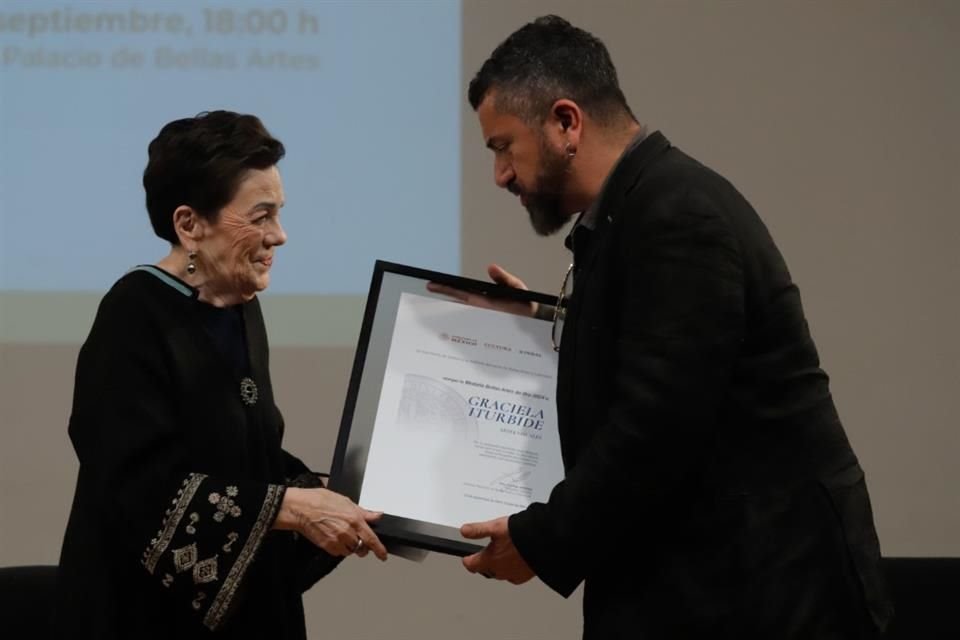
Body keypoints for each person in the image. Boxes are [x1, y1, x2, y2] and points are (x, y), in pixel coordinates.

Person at [448, 15, 893, 639]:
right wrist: (543, 335)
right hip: (716, 584)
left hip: (764, 596)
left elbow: (656, 427)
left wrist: (539, 540)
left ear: (566, 123)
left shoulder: (677, 216)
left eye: (502, 146)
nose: (500, 175)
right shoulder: (638, 208)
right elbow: (658, 364)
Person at [53, 110, 387, 639]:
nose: (279, 236)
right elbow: (136, 489)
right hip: (139, 618)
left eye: (278, 214)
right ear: (189, 225)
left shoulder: (239, 306)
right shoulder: (133, 314)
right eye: (259, 217)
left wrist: (340, 493)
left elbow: (247, 456)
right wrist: (293, 508)